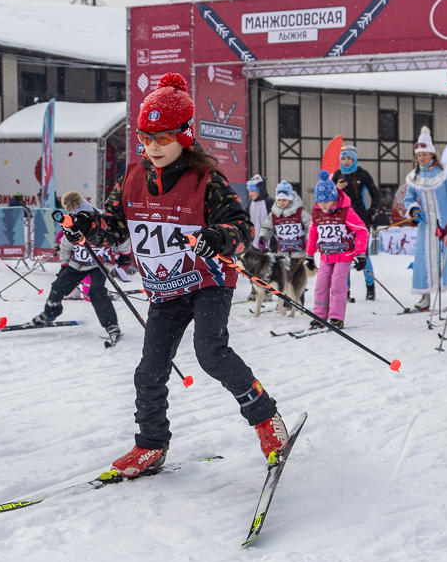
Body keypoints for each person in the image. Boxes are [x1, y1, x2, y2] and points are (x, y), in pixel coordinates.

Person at [61, 72, 289, 477]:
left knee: (210, 353)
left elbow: (242, 229)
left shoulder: (205, 178)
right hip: (165, 288)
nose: (153, 147)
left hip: (207, 283)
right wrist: (86, 226)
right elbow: (112, 228)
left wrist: (218, 236)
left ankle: (266, 418)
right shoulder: (133, 177)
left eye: (162, 138)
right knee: (149, 371)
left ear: (184, 135)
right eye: (146, 138)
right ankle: (151, 445)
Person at [31, 191, 129, 344]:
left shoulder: (101, 218)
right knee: (58, 287)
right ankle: (49, 314)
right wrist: (64, 265)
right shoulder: (71, 223)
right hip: (79, 263)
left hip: (100, 263)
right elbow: (65, 244)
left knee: (97, 292)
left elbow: (121, 236)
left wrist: (125, 255)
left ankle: (111, 326)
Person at [404, 128, 447, 309]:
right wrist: (414, 210)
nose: (421, 158)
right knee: (423, 261)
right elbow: (408, 198)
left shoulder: (445, 172)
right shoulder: (414, 176)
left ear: (432, 154)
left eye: (424, 154)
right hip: (426, 227)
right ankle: (425, 298)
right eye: (418, 155)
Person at [304, 170, 369, 329]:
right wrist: (310, 256)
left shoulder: (346, 212)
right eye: (320, 201)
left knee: (338, 285)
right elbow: (313, 234)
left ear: (334, 198)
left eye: (327, 201)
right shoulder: (318, 214)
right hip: (326, 256)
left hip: (344, 255)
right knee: (321, 285)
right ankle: (319, 316)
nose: (323, 205)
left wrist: (360, 254)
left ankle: (336, 317)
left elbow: (362, 231)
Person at [333, 145, 381, 301]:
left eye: (349, 158)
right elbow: (327, 198)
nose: (346, 161)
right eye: (344, 158)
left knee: (363, 254)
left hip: (360, 218)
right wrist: (335, 188)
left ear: (354, 159)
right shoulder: (336, 175)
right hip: (342, 219)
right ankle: (345, 291)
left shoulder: (362, 173)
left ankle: (370, 287)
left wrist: (372, 210)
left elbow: (375, 193)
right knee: (344, 254)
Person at [257, 180, 310, 314]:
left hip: (299, 252)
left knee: (298, 279)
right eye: (279, 199)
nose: (281, 202)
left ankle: (299, 301)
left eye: (284, 200)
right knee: (284, 278)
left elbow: (311, 225)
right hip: (283, 253)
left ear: (290, 198)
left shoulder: (300, 212)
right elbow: (267, 227)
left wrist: (310, 238)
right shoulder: (274, 214)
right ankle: (286, 301)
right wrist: (263, 238)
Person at [246, 174, 275, 251]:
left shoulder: (269, 202)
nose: (250, 194)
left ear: (260, 190)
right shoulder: (250, 203)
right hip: (253, 244)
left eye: (252, 190)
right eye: (249, 191)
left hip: (269, 244)